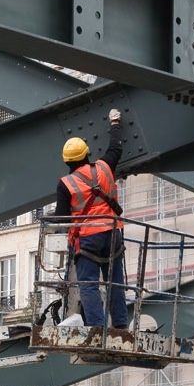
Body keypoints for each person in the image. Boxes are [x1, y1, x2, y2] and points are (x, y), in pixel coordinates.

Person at [55, 109, 128, 329]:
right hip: (113, 233)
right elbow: (115, 148)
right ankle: (121, 325)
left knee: (89, 284)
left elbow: (61, 218)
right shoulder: (105, 168)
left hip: (87, 239)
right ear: (87, 154)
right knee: (115, 282)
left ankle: (97, 327)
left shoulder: (66, 183)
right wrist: (115, 123)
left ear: (67, 161)